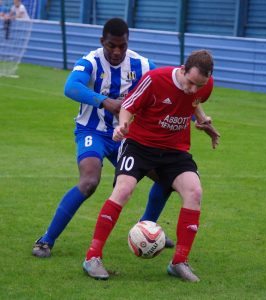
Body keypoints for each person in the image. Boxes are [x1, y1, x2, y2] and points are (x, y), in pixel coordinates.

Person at [32, 18, 175, 258]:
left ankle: (146, 231)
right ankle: (46, 239)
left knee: (166, 179)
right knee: (89, 182)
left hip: (127, 137)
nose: (117, 51)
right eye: (111, 46)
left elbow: (170, 90)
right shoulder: (90, 61)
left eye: (122, 46)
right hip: (92, 131)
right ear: (102, 42)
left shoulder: (143, 64)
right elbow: (71, 87)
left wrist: (196, 118)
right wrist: (104, 101)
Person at [83, 49, 220, 281]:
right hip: (139, 144)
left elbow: (193, 100)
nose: (194, 89)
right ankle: (92, 257)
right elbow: (128, 106)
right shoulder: (156, 80)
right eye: (190, 82)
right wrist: (123, 126)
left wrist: (202, 119)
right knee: (124, 189)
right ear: (183, 69)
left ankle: (179, 262)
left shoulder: (204, 85)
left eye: (200, 85)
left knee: (194, 191)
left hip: (174, 149)